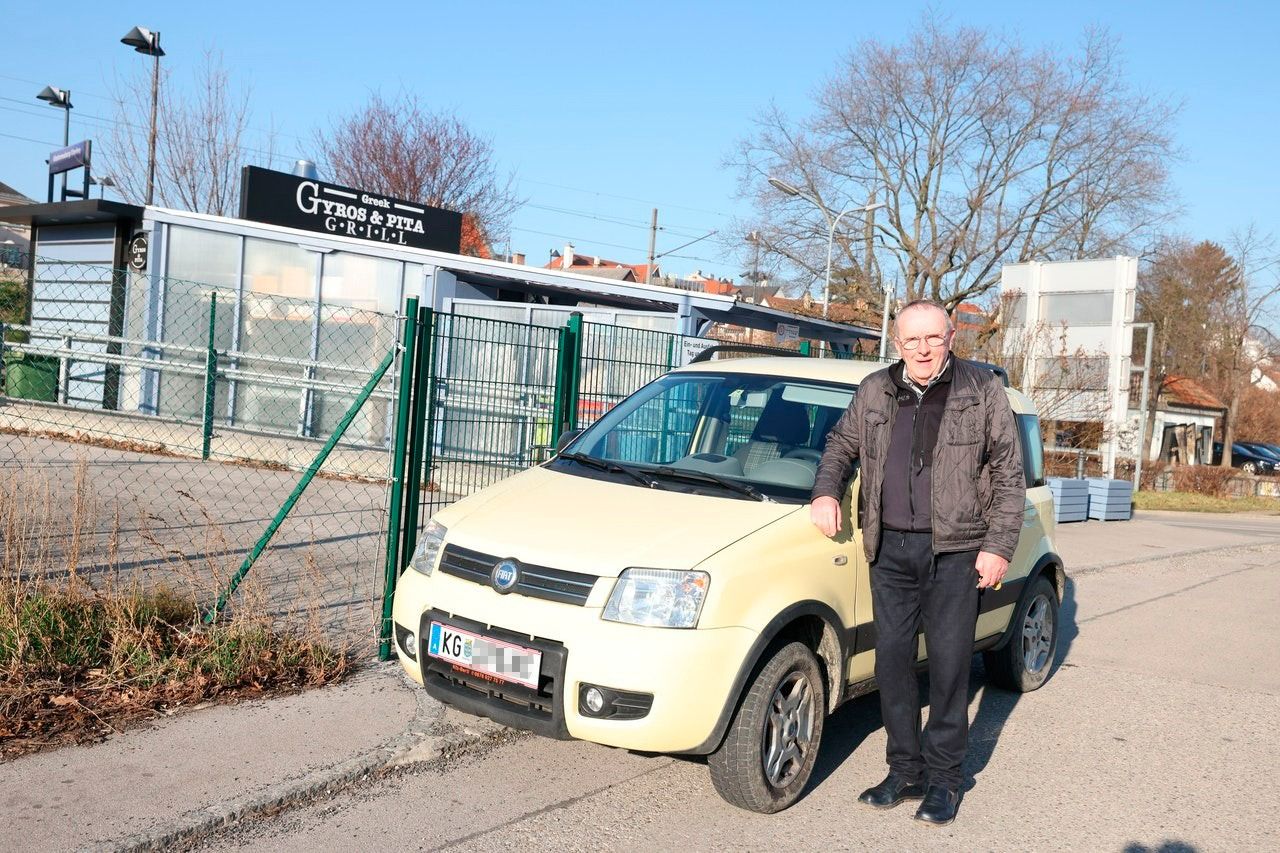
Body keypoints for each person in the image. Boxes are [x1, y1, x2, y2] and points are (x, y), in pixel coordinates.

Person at [810, 299, 1024, 826]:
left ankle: (946, 781)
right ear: (897, 342)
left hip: (955, 552)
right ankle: (904, 771)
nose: (923, 349)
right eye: (912, 340)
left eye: (932, 338)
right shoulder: (875, 390)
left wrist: (997, 546)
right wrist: (825, 491)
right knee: (893, 666)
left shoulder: (981, 389)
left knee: (950, 669)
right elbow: (840, 445)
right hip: (890, 552)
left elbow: (1008, 471)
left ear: (950, 337)